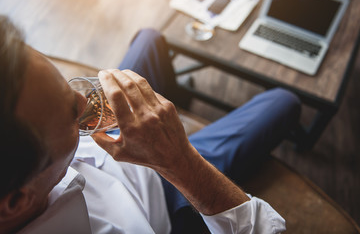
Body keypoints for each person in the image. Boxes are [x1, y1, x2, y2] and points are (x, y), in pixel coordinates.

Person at [0, 15, 301, 233]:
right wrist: (179, 160)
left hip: (116, 146)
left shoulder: (23, 161)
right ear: (16, 201)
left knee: (149, 38)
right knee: (283, 102)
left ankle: (179, 95)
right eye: (68, 111)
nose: (83, 100)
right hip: (170, 193)